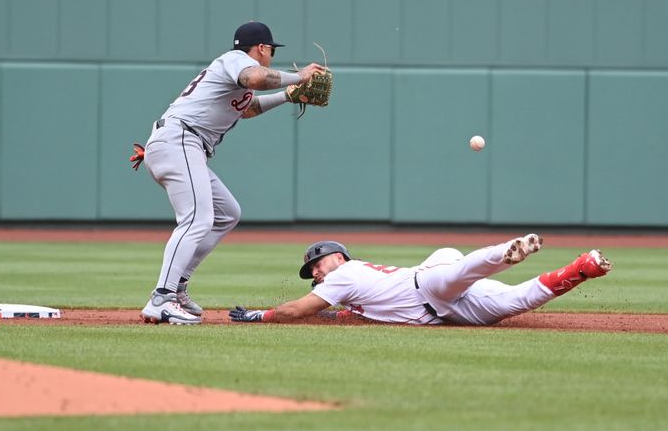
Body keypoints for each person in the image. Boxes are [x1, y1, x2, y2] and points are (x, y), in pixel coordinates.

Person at [139, 21, 326, 325]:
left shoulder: (235, 78)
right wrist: (300, 75)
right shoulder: (237, 61)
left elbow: (248, 108)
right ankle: (162, 297)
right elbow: (258, 77)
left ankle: (179, 284)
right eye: (271, 51)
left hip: (181, 144)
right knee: (197, 219)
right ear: (262, 48)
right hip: (181, 140)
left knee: (227, 212)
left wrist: (289, 95)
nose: (271, 57)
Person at [229, 234, 612, 325]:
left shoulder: (342, 276)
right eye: (310, 270)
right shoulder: (345, 284)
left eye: (316, 263)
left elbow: (300, 308)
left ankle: (508, 250)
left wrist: (260, 316)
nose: (313, 271)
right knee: (512, 303)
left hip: (428, 285)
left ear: (338, 257)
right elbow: (354, 312)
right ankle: (581, 269)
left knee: (460, 272)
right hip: (440, 307)